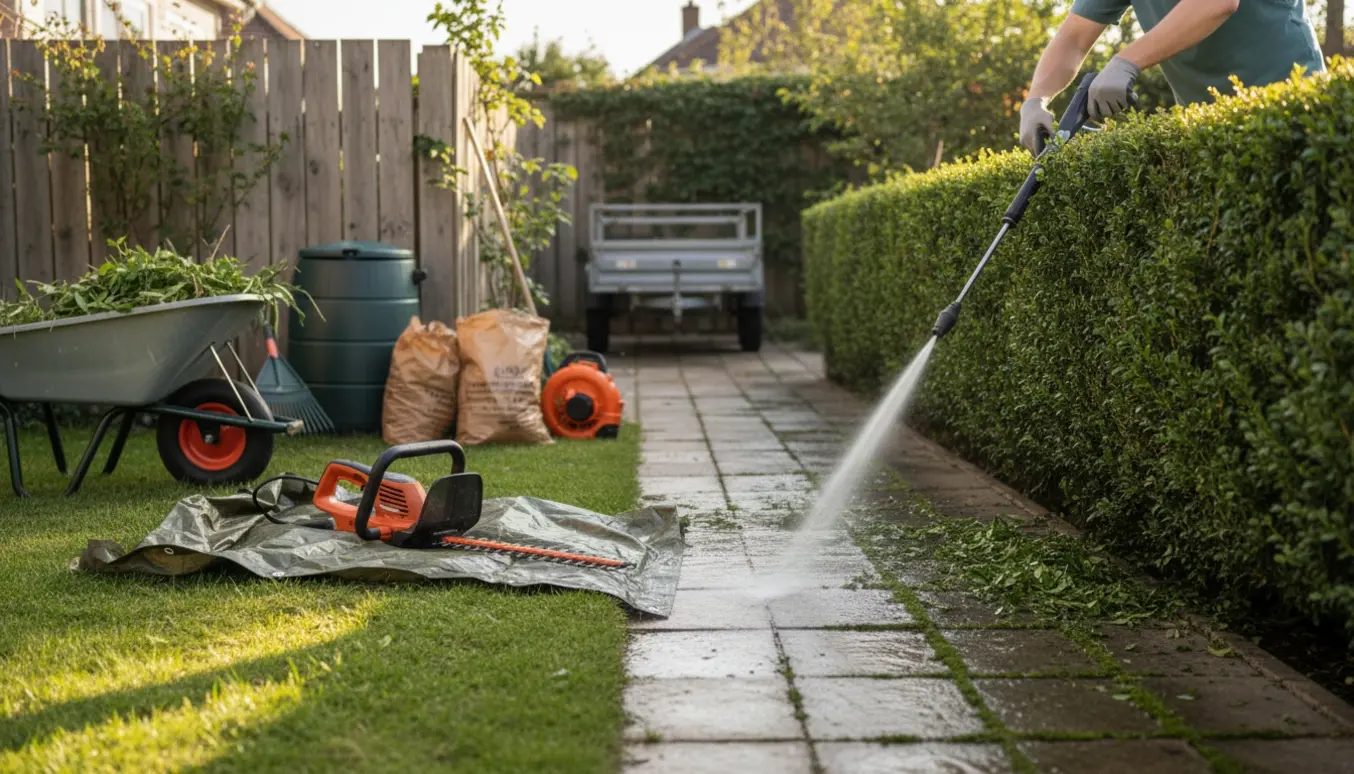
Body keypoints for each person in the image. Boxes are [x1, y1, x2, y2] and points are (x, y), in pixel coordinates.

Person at [1019, 0, 1325, 153]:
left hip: (1294, 107)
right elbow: (1073, 38)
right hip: (1207, 129)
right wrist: (1035, 99)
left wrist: (1126, 60)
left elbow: (1217, 3)